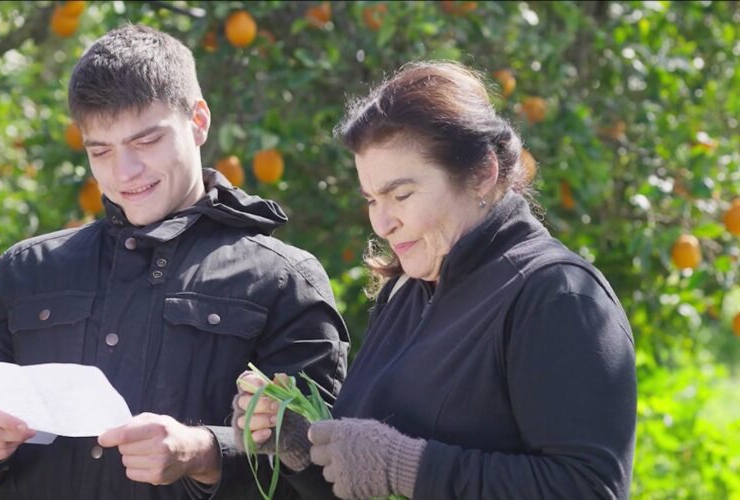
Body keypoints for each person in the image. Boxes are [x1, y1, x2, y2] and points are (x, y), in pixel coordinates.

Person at [0, 24, 348, 500]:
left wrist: (207, 453)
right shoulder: (26, 269)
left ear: (199, 120)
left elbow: (323, 471)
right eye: (101, 151)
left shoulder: (284, 280)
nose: (124, 173)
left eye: (146, 142)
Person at [234, 61, 637, 499]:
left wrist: (406, 466)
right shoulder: (407, 289)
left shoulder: (557, 296)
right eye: (372, 199)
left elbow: (589, 489)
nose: (382, 222)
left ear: (483, 173)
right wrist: (301, 446)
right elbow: (365, 483)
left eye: (401, 194)